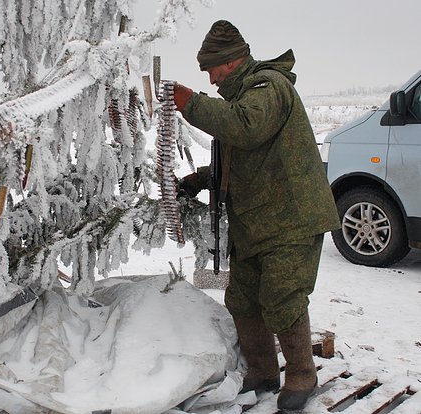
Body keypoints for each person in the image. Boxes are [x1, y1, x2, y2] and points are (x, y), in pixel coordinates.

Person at [173, 20, 340, 411]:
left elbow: (247, 128)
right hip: (257, 221)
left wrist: (192, 104)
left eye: (212, 70)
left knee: (282, 296)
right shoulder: (242, 97)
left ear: (230, 62)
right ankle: (264, 372)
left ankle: (302, 374)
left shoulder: (269, 86)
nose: (211, 80)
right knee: (243, 299)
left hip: (291, 217)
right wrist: (199, 179)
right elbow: (240, 155)